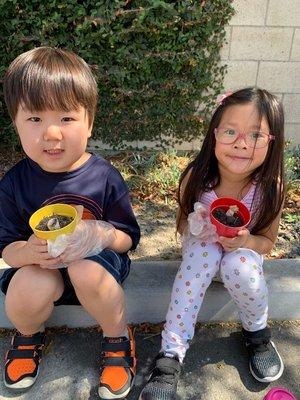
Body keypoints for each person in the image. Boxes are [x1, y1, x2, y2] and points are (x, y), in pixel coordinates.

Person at [0, 46, 140, 399]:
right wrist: (28, 252)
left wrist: (102, 232)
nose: (52, 133)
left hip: (95, 268)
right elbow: (7, 247)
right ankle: (29, 333)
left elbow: (128, 239)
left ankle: (117, 335)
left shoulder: (105, 177)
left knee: (86, 270)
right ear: (15, 123)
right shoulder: (15, 183)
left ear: (89, 122)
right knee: (25, 286)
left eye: (66, 118)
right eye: (34, 119)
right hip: (44, 269)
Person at [139, 88, 285, 400]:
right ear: (214, 134)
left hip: (242, 256)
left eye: (256, 135)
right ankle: (170, 355)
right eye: (230, 131)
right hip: (200, 252)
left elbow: (267, 243)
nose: (241, 143)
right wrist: (197, 225)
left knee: (239, 265)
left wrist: (245, 240)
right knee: (203, 257)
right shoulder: (197, 176)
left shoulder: (270, 188)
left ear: (272, 141)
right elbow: (181, 224)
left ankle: (257, 333)